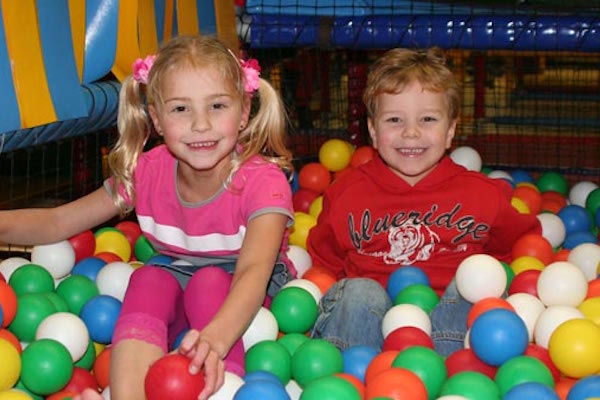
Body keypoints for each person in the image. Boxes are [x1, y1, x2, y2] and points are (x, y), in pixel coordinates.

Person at [0, 35, 295, 399]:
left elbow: (253, 270)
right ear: (155, 117)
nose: (200, 125)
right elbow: (59, 222)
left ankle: (221, 389)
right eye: (180, 109)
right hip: (177, 295)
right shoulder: (149, 172)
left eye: (217, 106)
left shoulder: (262, 181)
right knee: (150, 279)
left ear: (244, 110)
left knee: (209, 282)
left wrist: (215, 339)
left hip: (246, 303)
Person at [306, 47, 541, 357]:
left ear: (451, 130)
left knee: (473, 283)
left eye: (428, 119)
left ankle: (451, 378)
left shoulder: (483, 194)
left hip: (451, 327)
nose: (411, 133)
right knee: (358, 291)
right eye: (394, 120)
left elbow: (521, 245)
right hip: (368, 336)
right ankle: (346, 380)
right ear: (373, 131)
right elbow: (325, 260)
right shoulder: (346, 193)